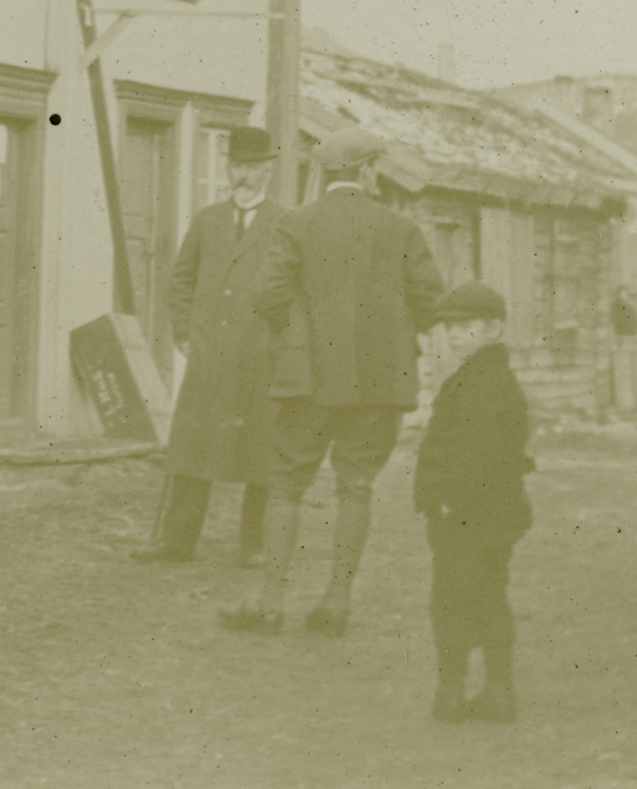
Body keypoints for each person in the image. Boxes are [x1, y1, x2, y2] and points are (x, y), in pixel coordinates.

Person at [220, 125, 445, 636]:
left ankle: (270, 604)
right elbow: (432, 303)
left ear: (325, 174)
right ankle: (337, 604)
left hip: (307, 379)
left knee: (285, 485)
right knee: (356, 485)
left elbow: (266, 296)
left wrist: (298, 335)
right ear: (367, 172)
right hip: (379, 383)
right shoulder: (400, 229)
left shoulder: (297, 224)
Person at [133, 126, 287, 566]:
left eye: (254, 168)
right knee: (192, 446)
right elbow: (181, 279)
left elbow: (294, 289)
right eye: (238, 166)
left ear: (267, 172)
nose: (245, 176)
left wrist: (277, 343)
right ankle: (175, 541)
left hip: (259, 356)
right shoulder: (207, 221)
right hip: (210, 355)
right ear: (228, 168)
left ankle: (255, 546)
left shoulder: (284, 224)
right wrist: (183, 331)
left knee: (260, 449)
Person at [414, 284, 533, 725]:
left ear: (494, 329)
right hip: (493, 513)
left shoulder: (481, 382)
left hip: (467, 514)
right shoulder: (484, 376)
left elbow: (476, 451)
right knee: (488, 595)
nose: (454, 334)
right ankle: (496, 691)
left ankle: (452, 692)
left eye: (465, 326)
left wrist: (447, 501)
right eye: (448, 326)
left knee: (451, 598)